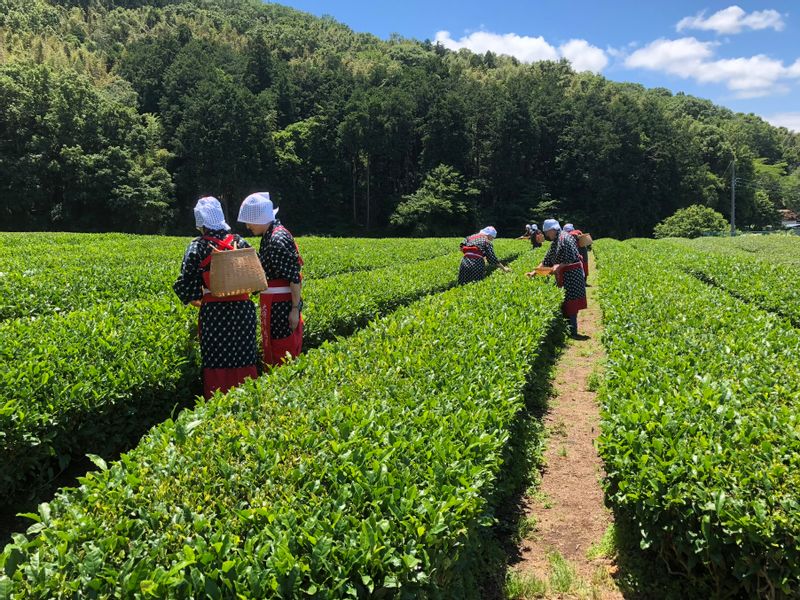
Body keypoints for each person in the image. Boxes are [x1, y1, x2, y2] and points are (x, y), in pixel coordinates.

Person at [173, 196, 258, 399]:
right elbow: (256, 276)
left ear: (200, 222)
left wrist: (200, 300)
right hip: (243, 311)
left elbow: (186, 285)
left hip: (215, 313)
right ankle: (248, 401)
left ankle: (217, 407)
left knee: (217, 361)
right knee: (244, 358)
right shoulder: (240, 241)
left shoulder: (197, 247)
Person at [237, 192, 303, 367]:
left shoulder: (277, 239)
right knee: (273, 347)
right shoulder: (270, 236)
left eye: (249, 221)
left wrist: (295, 309)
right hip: (273, 303)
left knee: (282, 350)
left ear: (259, 218)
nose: (247, 226)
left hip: (281, 305)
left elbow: (294, 278)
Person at [527, 219, 587, 337]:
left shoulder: (564, 238)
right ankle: (567, 329)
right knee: (565, 301)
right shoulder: (556, 240)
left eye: (547, 232)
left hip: (572, 274)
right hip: (565, 274)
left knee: (571, 303)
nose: (546, 235)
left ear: (553, 229)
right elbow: (547, 259)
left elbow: (572, 258)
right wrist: (535, 272)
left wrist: (559, 266)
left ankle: (573, 332)